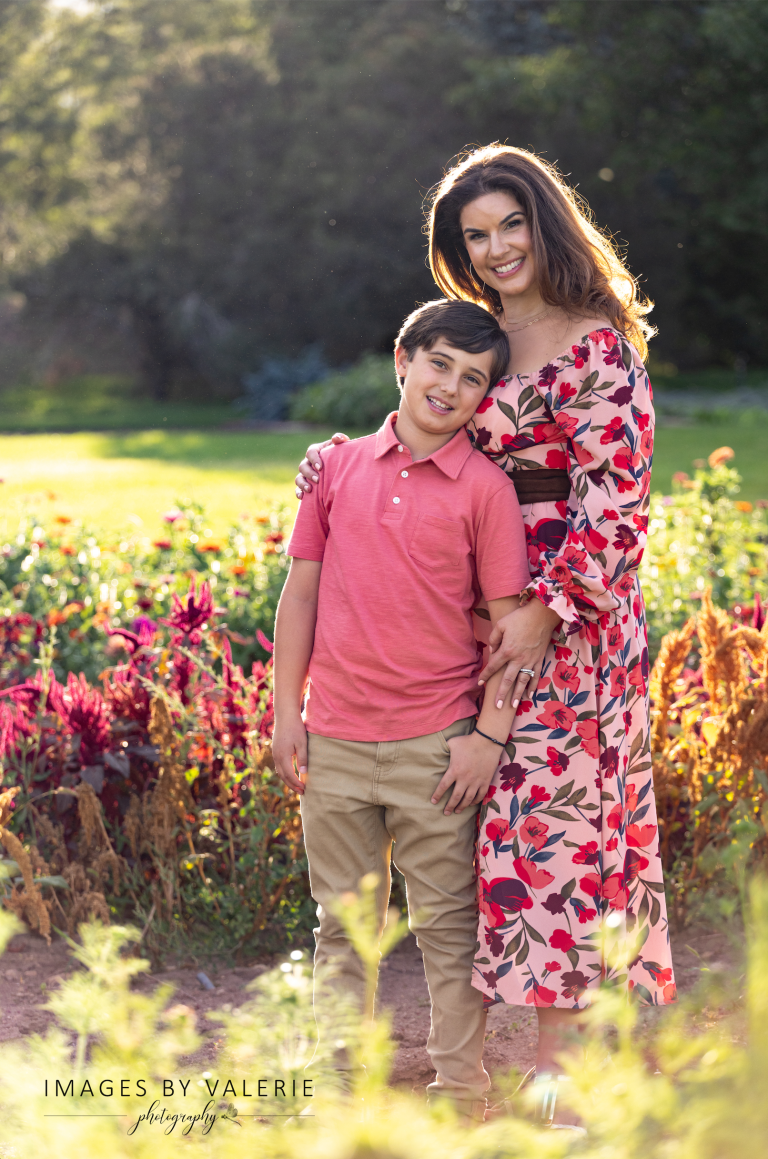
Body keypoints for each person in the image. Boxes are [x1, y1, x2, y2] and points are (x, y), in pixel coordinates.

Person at [294, 144, 675, 1128]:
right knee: (479, 829)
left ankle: (553, 1069)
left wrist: (549, 610)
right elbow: (427, 434)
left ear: (544, 221)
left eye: (510, 224)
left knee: (559, 833)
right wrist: (330, 460)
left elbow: (619, 502)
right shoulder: (483, 339)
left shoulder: (596, 342)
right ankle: (459, 1056)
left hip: (573, 616)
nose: (497, 247)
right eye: (476, 234)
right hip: (472, 603)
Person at [272, 298, 531, 1122]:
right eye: (439, 363)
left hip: (436, 748)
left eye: (472, 378)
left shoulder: (486, 491)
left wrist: (486, 736)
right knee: (343, 928)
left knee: (450, 933)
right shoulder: (336, 470)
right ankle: (339, 1092)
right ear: (403, 359)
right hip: (335, 740)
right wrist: (287, 713)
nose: (450, 386)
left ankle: (463, 1094)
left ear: (484, 395)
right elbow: (300, 595)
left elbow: (508, 630)